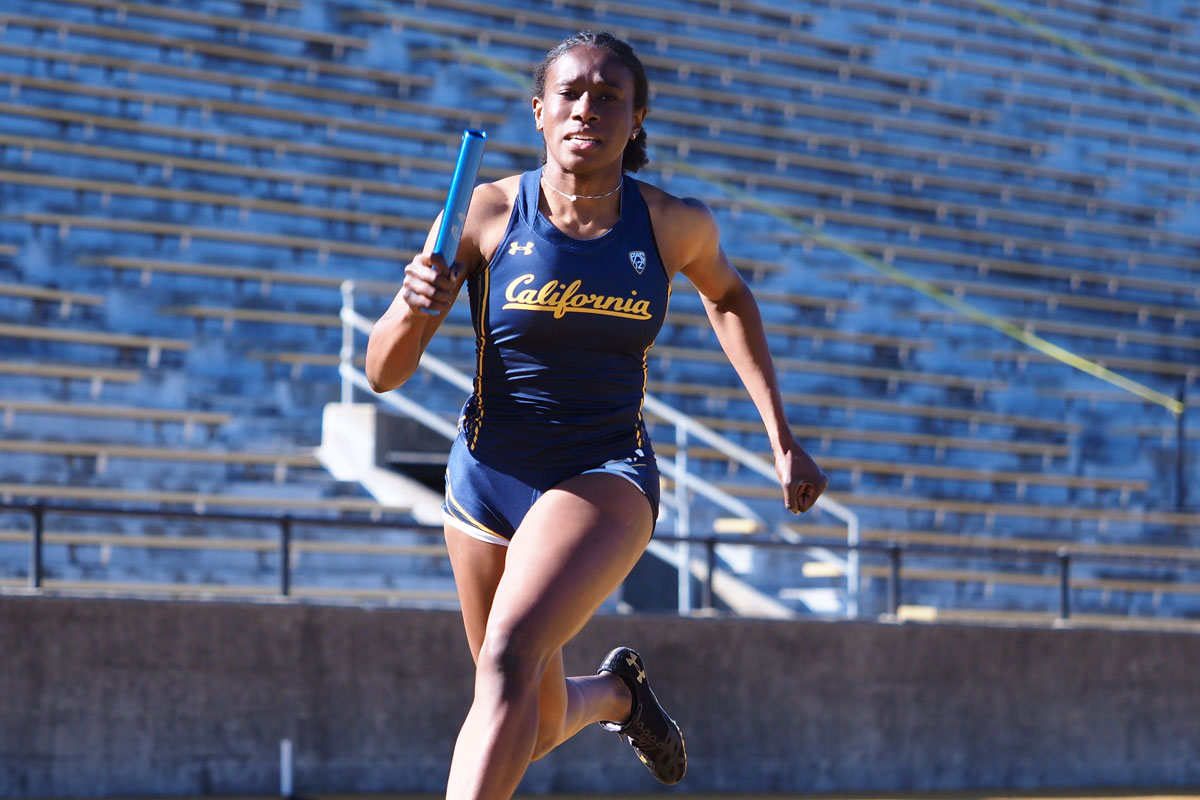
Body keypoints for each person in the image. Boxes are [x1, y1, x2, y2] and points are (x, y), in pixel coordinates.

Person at [364, 30, 828, 800]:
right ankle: (619, 696)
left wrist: (781, 439)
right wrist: (414, 309)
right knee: (530, 722)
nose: (588, 108)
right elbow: (383, 372)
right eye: (571, 94)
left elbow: (730, 297)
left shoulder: (672, 223)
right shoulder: (486, 212)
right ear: (539, 112)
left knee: (508, 655)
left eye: (609, 96)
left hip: (603, 471)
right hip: (484, 478)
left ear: (637, 118)